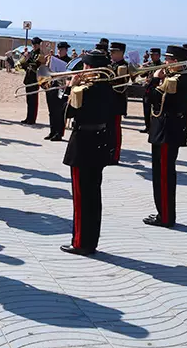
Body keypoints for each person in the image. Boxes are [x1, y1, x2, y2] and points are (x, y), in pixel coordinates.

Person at [60, 50, 113, 255]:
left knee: (82, 198)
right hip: (99, 142)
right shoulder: (108, 86)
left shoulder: (84, 90)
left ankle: (81, 242)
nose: (82, 70)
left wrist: (69, 88)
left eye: (84, 66)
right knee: (93, 195)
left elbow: (65, 113)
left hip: (82, 144)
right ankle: (91, 241)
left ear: (90, 68)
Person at [143, 45, 187, 228]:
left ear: (177, 62)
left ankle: (165, 216)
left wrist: (154, 81)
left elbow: (151, 99)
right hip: (165, 130)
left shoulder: (176, 80)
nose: (166, 62)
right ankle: (164, 212)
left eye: (169, 60)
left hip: (167, 131)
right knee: (161, 173)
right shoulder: (176, 78)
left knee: (163, 174)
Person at [107, 42, 129, 165]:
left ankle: (114, 156)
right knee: (108, 130)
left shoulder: (123, 66)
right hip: (108, 102)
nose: (111, 54)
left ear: (121, 52)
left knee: (115, 131)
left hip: (116, 103)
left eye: (113, 52)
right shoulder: (111, 65)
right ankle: (107, 153)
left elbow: (120, 88)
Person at [46, 41, 72, 141]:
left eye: (62, 50)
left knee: (60, 112)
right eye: (59, 49)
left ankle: (59, 133)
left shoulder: (69, 61)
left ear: (66, 50)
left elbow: (70, 75)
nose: (60, 51)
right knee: (51, 111)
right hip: (52, 86)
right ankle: (52, 131)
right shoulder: (54, 59)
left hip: (62, 88)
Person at [21, 37, 44, 125]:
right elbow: (24, 65)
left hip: (35, 78)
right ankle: (28, 117)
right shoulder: (31, 53)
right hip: (28, 77)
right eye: (33, 45)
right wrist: (24, 57)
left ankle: (32, 119)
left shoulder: (40, 54)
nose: (34, 46)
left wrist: (29, 58)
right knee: (29, 100)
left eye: (36, 45)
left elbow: (36, 65)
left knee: (33, 100)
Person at [140, 48, 162, 134]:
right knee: (146, 110)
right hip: (148, 89)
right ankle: (147, 126)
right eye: (151, 55)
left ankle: (154, 127)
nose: (152, 57)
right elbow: (142, 75)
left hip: (156, 90)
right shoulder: (149, 64)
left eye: (154, 55)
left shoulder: (162, 65)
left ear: (159, 56)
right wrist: (144, 62)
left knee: (155, 110)